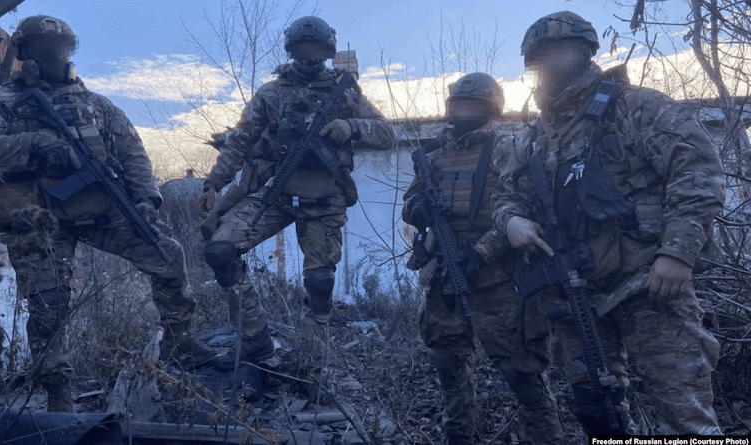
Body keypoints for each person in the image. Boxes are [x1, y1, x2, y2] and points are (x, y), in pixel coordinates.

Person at [0, 15, 216, 412]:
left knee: (167, 255)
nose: (57, 58)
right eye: (48, 51)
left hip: (100, 207)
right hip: (38, 213)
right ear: (26, 55)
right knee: (48, 304)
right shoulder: (2, 101)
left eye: (62, 50)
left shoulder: (96, 104)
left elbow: (134, 154)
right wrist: (35, 144)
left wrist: (148, 200)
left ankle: (180, 342)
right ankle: (57, 390)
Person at [494, 11, 725, 435]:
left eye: (556, 52)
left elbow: (698, 173)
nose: (546, 64)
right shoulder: (534, 136)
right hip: (572, 295)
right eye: (537, 57)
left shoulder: (635, 107)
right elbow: (507, 194)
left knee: (684, 417)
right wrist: (511, 221)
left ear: (585, 51)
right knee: (598, 413)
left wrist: (677, 252)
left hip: (646, 286)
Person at [197, 16, 394, 369]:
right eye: (302, 49)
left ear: (327, 52)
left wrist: (351, 125)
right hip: (278, 191)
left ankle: (309, 364)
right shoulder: (271, 94)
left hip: (326, 197)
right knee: (221, 250)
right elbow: (239, 142)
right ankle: (255, 340)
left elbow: (386, 134)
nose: (309, 57)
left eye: (316, 49)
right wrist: (213, 183)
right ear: (291, 51)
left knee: (319, 282)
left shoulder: (345, 91)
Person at [402, 73, 563, 445]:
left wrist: (481, 252)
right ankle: (459, 435)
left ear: (491, 108)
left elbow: (525, 208)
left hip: (499, 278)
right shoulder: (435, 155)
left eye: (471, 106)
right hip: (445, 276)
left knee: (520, 373)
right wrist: (419, 206)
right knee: (446, 361)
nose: (462, 113)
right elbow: (411, 203)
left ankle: (545, 437)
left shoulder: (510, 145)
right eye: (457, 105)